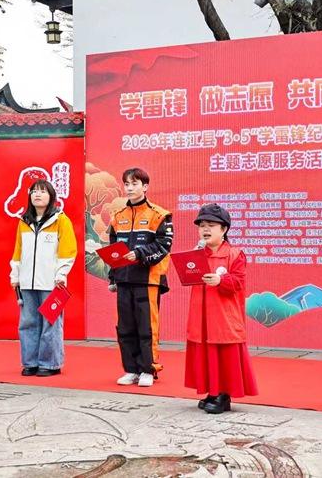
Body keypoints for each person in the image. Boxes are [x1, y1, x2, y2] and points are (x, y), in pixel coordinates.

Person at [184, 204, 258, 414]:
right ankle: (212, 392)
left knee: (224, 353)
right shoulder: (197, 254)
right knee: (206, 352)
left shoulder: (235, 254)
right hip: (201, 314)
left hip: (224, 316)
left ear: (224, 229)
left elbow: (239, 282)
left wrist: (221, 280)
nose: (205, 229)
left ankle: (223, 395)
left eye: (211, 225)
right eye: (202, 226)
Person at [108, 167, 173, 387]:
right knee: (125, 327)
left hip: (148, 280)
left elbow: (164, 245)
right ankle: (131, 369)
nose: (129, 188)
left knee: (147, 326)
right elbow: (113, 250)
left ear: (145, 186)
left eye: (134, 184)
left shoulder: (159, 215)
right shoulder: (118, 216)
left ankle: (148, 369)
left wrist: (139, 253)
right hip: (124, 279)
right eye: (126, 184)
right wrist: (113, 277)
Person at [10, 179, 77, 377]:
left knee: (51, 323)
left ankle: (50, 364)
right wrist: (15, 274)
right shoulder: (24, 221)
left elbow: (68, 251)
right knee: (28, 323)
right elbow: (18, 251)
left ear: (51, 196)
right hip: (27, 282)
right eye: (34, 191)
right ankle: (30, 362)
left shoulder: (61, 220)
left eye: (42, 191)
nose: (37, 195)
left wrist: (61, 274)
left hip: (52, 282)